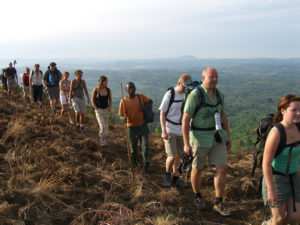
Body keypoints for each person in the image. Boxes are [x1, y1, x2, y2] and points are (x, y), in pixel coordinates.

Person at [182, 67, 232, 216]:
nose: (215, 79)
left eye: (216, 76)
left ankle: (218, 202)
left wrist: (228, 136)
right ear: (203, 78)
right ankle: (197, 196)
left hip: (217, 136)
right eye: (211, 77)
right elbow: (185, 120)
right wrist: (186, 143)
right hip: (199, 138)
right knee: (197, 169)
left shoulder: (219, 95)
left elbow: (223, 116)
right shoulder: (195, 96)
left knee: (222, 168)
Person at [261, 94, 300, 225]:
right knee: (279, 220)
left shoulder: (299, 128)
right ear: (283, 111)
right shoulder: (276, 133)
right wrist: (271, 190)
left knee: (294, 218)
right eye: (294, 110)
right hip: (276, 178)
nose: (298, 113)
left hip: (294, 177)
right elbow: (266, 164)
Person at [159, 73, 191, 189]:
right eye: (184, 87)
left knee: (178, 156)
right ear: (179, 83)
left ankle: (176, 177)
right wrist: (163, 130)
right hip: (170, 129)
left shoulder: (186, 95)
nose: (185, 89)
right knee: (172, 156)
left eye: (187, 87)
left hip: (181, 130)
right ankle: (166, 175)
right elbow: (162, 113)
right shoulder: (170, 94)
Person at [119, 82, 153, 171]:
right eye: (129, 88)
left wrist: (145, 107)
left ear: (135, 88)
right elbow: (121, 115)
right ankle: (135, 163)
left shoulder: (140, 96)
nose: (131, 89)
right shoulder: (123, 101)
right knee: (133, 147)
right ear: (126, 90)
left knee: (145, 146)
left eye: (133, 87)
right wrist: (123, 119)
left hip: (142, 126)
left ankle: (147, 164)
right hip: (131, 128)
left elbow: (150, 101)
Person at [91, 75, 112, 146]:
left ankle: (104, 138)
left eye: (107, 81)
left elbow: (110, 100)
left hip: (106, 110)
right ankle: (101, 139)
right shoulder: (96, 90)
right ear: (102, 82)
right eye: (106, 81)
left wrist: (109, 107)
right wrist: (96, 108)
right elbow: (92, 100)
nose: (107, 82)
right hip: (99, 110)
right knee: (102, 125)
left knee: (106, 125)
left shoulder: (108, 90)